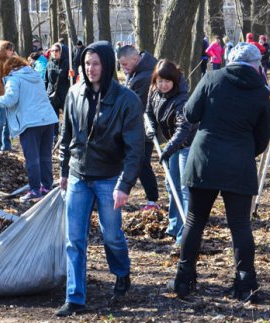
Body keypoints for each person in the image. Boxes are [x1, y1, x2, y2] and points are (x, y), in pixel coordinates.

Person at [167, 43, 270, 304]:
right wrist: (245, 151)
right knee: (240, 225)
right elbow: (263, 136)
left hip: (205, 159)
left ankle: (183, 280)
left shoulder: (212, 78)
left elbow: (190, 113)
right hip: (239, 163)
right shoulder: (261, 91)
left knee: (194, 220)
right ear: (257, 64)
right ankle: (246, 283)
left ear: (230, 59)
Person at [56, 40, 144, 317]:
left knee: (111, 236)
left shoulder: (126, 99)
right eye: (86, 63)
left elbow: (135, 149)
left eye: (95, 63)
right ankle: (75, 296)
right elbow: (66, 136)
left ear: (106, 65)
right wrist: (62, 171)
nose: (90, 68)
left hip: (110, 177)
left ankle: (122, 271)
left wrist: (125, 184)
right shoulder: (74, 93)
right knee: (74, 239)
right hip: (78, 176)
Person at [0, 56, 59, 203]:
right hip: (47, 119)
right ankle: (46, 186)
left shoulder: (14, 79)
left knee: (32, 159)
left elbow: (10, 100)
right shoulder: (34, 75)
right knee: (45, 156)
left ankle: (35, 190)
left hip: (30, 123)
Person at [145, 59, 194, 245]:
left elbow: (184, 129)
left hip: (187, 144)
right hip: (172, 143)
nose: (163, 85)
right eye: (160, 81)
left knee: (184, 188)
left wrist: (168, 150)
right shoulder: (153, 91)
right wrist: (149, 127)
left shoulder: (182, 99)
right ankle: (175, 225)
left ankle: (186, 235)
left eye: (167, 81)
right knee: (170, 184)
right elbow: (148, 112)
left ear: (174, 80)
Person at [117, 45, 161, 211]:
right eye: (121, 65)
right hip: (138, 126)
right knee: (137, 162)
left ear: (135, 59)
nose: (123, 68)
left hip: (143, 126)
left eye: (125, 65)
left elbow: (134, 104)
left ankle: (152, 200)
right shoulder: (137, 72)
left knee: (141, 162)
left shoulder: (144, 77)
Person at [0, 41, 15, 152]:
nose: (11, 51)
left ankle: (6, 145)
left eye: (11, 49)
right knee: (1, 121)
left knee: (8, 121)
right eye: (9, 49)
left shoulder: (10, 61)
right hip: (1, 96)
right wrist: (2, 95)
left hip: (9, 94)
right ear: (3, 50)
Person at [44, 42, 69, 141]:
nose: (54, 52)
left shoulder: (67, 63)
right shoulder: (49, 64)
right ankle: (53, 137)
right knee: (53, 118)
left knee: (67, 117)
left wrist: (72, 75)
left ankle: (65, 137)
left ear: (61, 52)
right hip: (51, 95)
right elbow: (46, 80)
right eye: (52, 51)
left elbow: (72, 80)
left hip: (64, 94)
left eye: (57, 50)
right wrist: (45, 94)